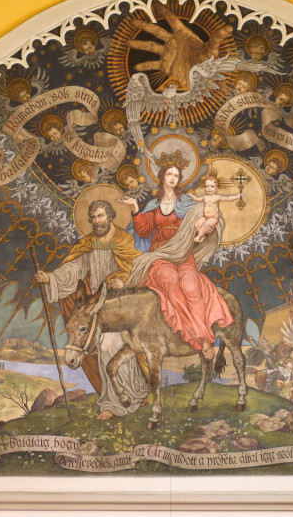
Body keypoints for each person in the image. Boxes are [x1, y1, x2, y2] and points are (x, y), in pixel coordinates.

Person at [34, 200, 149, 420]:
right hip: (98, 304)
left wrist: (124, 281)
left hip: (124, 302)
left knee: (113, 344)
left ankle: (132, 394)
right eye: (94, 218)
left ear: (111, 216)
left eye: (101, 216)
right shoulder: (88, 243)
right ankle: (113, 402)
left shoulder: (125, 240)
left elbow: (139, 267)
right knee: (99, 345)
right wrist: (51, 278)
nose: (97, 221)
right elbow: (74, 269)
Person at [119, 162, 235, 361]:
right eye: (169, 174)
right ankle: (200, 338)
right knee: (170, 280)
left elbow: (206, 218)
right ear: (162, 177)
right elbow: (144, 231)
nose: (173, 178)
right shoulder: (154, 205)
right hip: (160, 255)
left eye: (176, 175)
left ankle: (202, 334)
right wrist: (135, 208)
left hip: (183, 254)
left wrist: (205, 227)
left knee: (190, 285)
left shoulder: (187, 203)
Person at [187, 173, 243, 243]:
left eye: (212, 186)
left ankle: (198, 236)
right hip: (205, 217)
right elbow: (197, 199)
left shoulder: (217, 197)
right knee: (197, 224)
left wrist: (237, 196)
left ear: (216, 188)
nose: (209, 188)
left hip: (213, 218)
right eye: (207, 186)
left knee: (206, 225)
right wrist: (191, 196)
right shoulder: (205, 197)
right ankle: (203, 235)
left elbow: (228, 198)